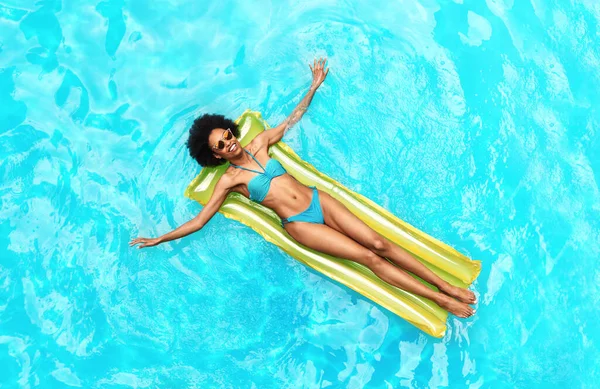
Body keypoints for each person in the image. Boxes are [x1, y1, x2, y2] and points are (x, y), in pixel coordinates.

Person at [130, 58, 476, 318]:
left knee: (379, 242)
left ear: (231, 131)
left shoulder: (261, 142)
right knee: (369, 257)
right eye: (220, 146)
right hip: (301, 225)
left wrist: (313, 86)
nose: (228, 144)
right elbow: (201, 220)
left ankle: (445, 284)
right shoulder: (229, 181)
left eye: (227, 136)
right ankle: (441, 300)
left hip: (317, 200)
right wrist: (160, 237)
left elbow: (292, 118)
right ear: (214, 156)